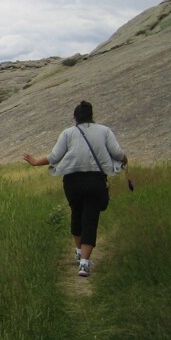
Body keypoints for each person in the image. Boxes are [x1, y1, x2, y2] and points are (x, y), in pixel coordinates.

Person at [23, 101, 128, 277]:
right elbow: (117, 153)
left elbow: (55, 156)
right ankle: (85, 263)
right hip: (95, 181)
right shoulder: (104, 131)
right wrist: (125, 160)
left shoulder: (68, 133)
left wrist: (35, 162)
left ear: (75, 117)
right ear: (92, 115)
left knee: (76, 215)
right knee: (90, 219)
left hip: (72, 182)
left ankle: (79, 252)